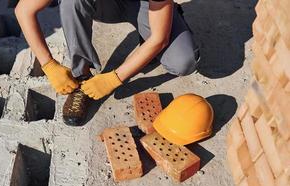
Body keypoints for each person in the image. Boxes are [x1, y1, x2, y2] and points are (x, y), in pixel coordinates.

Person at [15, 0, 199, 126]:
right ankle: (82, 77)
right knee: (71, 2)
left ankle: (169, 16)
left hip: (144, 5)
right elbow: (23, 11)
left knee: (183, 61)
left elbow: (159, 38)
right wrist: (48, 65)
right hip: (106, 6)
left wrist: (115, 78)